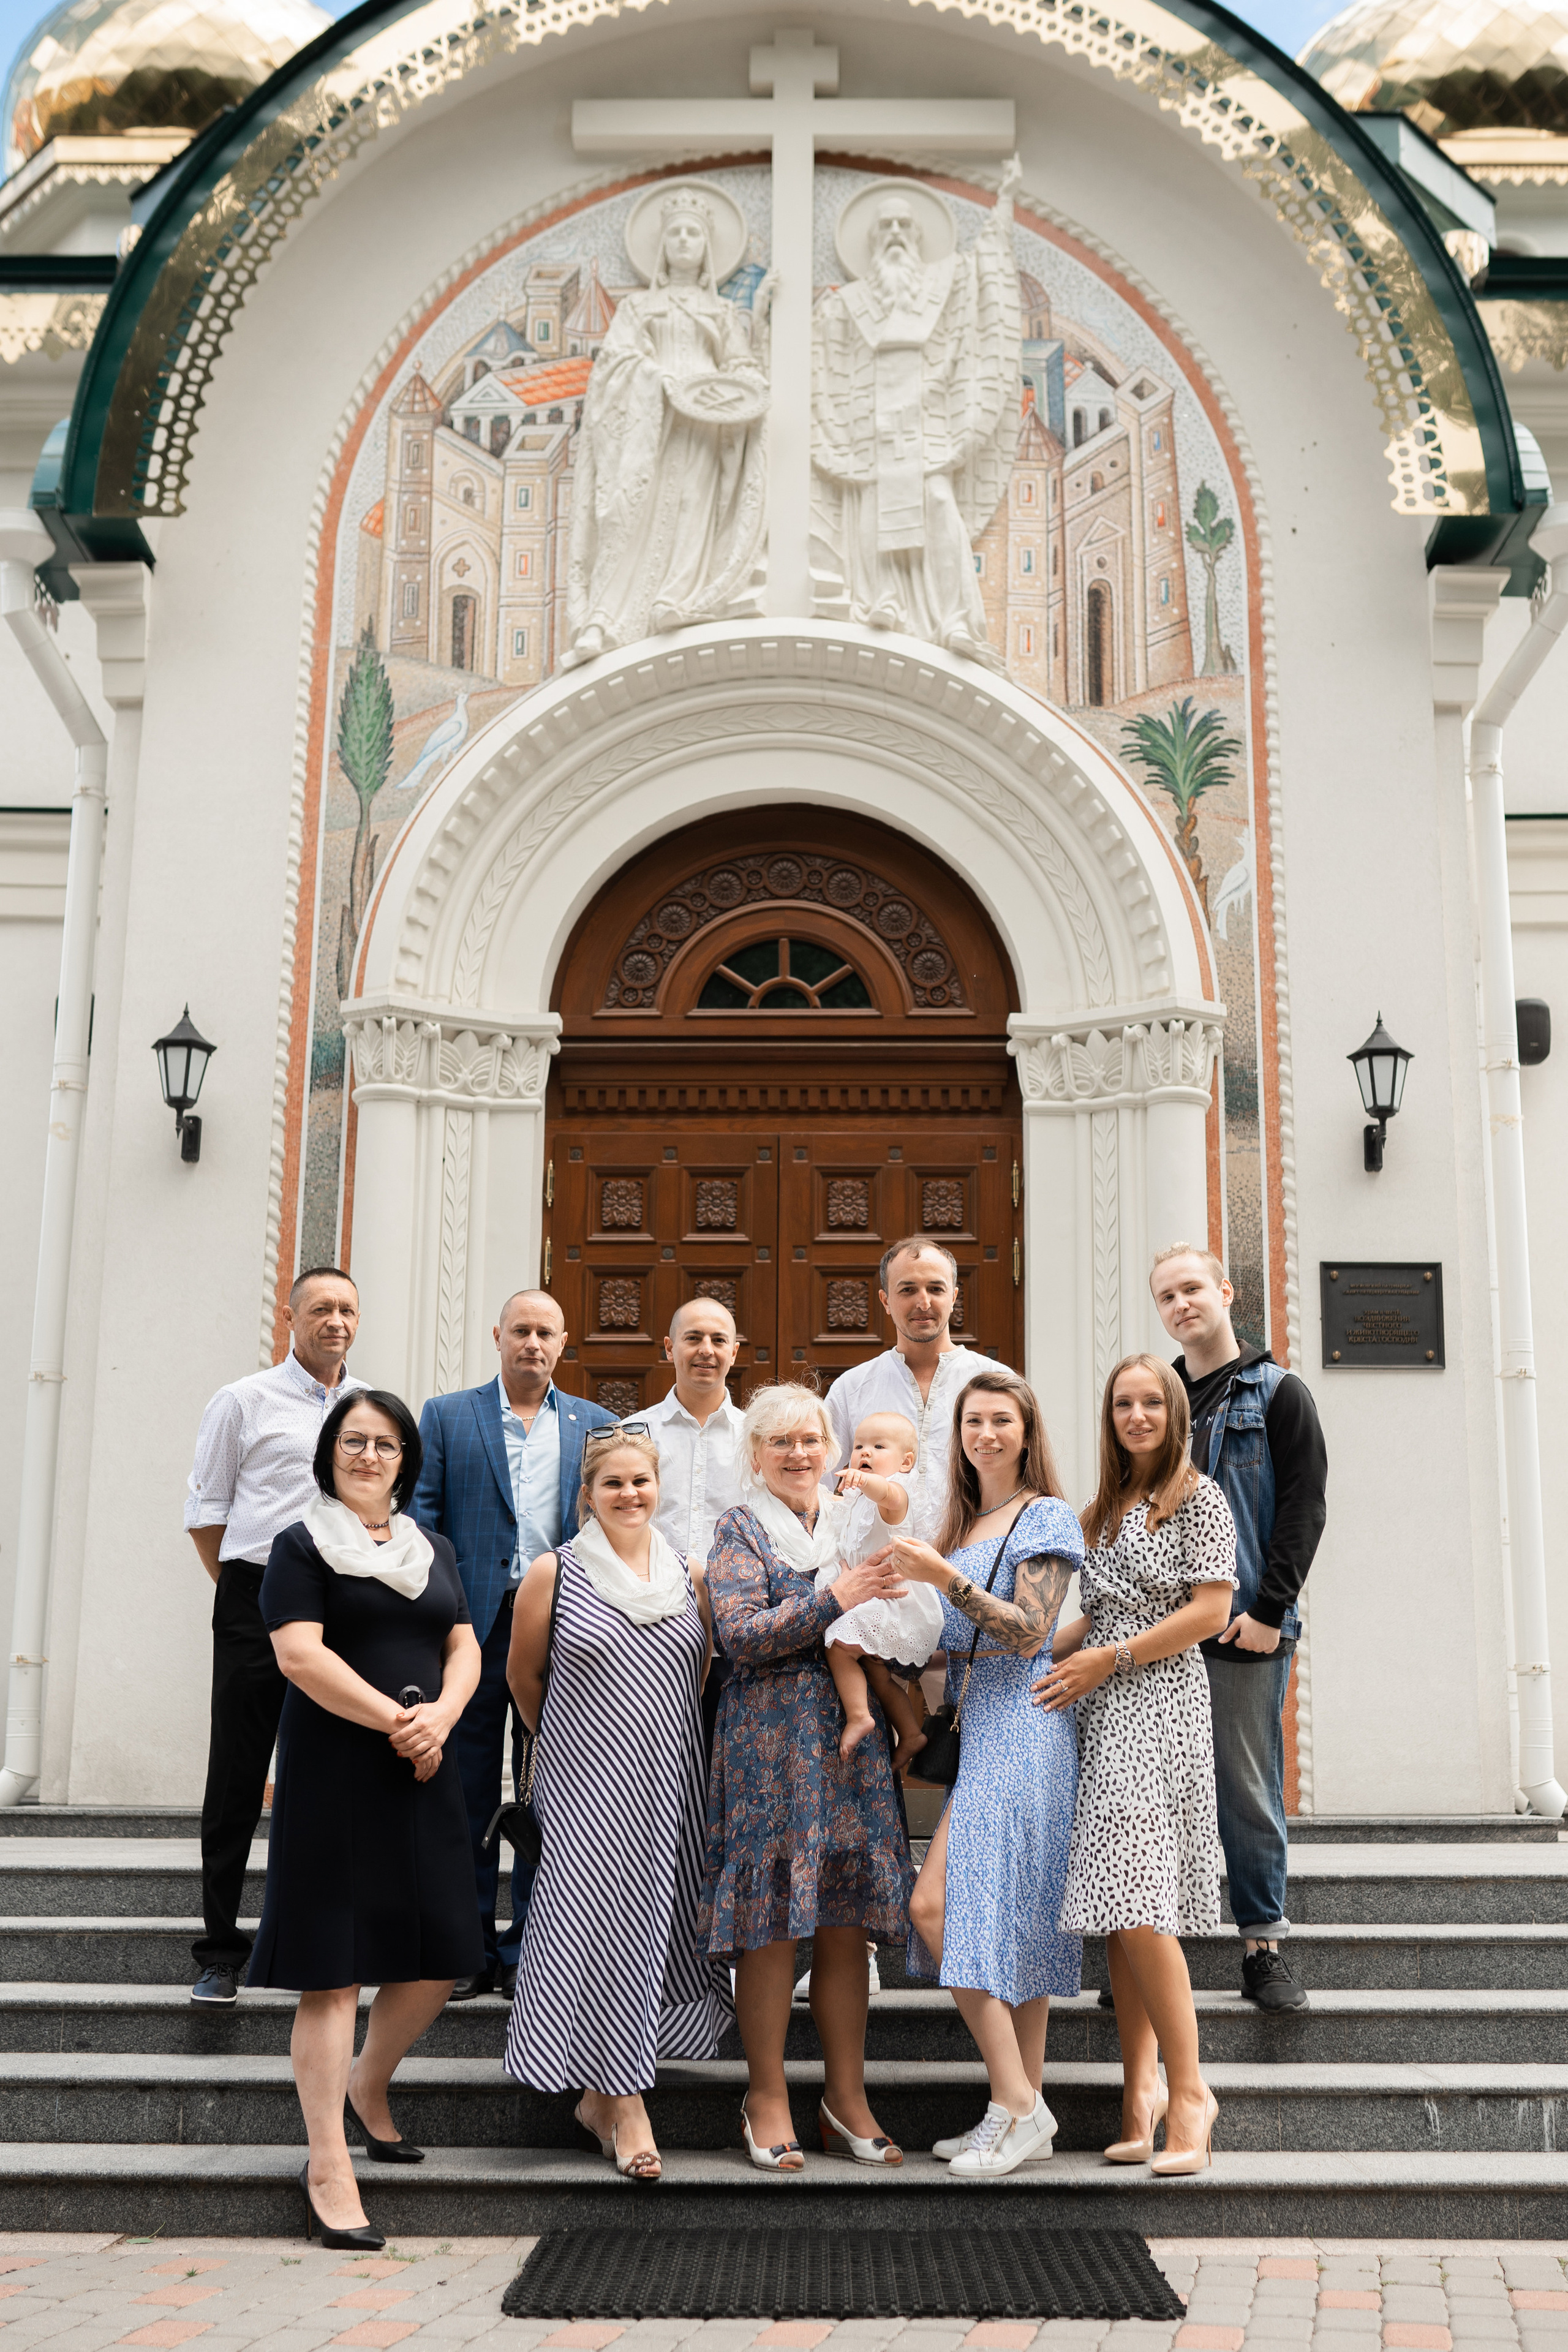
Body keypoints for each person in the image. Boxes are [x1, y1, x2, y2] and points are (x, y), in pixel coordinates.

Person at [249, 1387, 483, 2249]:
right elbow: (298, 1655)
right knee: (335, 1969)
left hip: (423, 1767)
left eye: (386, 1445)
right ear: (330, 1452)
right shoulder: (302, 1544)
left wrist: (444, 1719)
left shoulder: (433, 1546)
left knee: (441, 1951)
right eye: (354, 1442)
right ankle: (327, 2163)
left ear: (406, 1461)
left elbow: (463, 1642)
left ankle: (368, 2083)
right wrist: (401, 1721)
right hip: (338, 1769)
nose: (369, 1457)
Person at [503, 1425, 731, 2180]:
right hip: (585, 1782)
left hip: (669, 1775)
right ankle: (626, 2099)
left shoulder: (689, 1573)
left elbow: (698, 1673)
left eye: (641, 1482)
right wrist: (577, 1748)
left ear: (657, 1487)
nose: (630, 1495)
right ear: (587, 1495)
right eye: (613, 1484)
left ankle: (603, 2099)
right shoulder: (554, 1573)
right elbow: (523, 1677)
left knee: (649, 1923)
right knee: (589, 1924)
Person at [701, 1382, 914, 2171]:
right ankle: (765, 2095)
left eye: (811, 1440)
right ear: (754, 1454)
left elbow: (890, 1615)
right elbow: (740, 1634)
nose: (798, 1454)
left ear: (830, 1449)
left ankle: (845, 2098)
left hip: (849, 1744)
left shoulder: (852, 1519)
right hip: (770, 1741)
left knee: (844, 1919)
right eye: (780, 1441)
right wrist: (834, 1599)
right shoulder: (740, 1528)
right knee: (771, 1921)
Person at [1036, 1352, 1238, 2176]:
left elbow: (1211, 1612)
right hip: (1104, 1705)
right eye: (1124, 1403)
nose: (1138, 1415)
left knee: (1139, 1899)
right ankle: (1139, 2093)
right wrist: (1027, 1660)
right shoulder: (1104, 1509)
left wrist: (1110, 1660)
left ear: (1176, 1412)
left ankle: (1191, 2091)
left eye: (1153, 1402)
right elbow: (1090, 1618)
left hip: (1160, 1703)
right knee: (1123, 1903)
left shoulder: (1201, 1499)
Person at [895, 1370, 1084, 2179]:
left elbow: (1029, 1631)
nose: (986, 1434)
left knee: (933, 1905)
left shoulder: (1046, 1516)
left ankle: (1019, 2102)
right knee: (1015, 1930)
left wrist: (948, 1581)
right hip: (983, 1732)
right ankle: (1013, 2114)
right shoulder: (963, 1520)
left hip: (1028, 1726)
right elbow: (954, 1643)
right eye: (974, 1421)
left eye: (1001, 1420)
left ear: (1027, 1429)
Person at [410, 1290, 616, 2002]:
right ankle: (465, 1943)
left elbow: (611, 1528)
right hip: (468, 1630)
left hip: (562, 1634)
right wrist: (436, 1614)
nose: (533, 1343)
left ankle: (531, 1944)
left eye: (546, 1333)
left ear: (564, 1343)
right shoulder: (445, 1416)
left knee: (548, 1795)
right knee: (461, 1791)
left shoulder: (598, 1427)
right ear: (497, 1336)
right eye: (520, 1331)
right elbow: (422, 1517)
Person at [1150, 1243, 1328, 2013]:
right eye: (1166, 1296)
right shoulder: (1153, 1397)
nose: (1181, 1304)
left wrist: (1268, 1612)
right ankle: (1146, 1958)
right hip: (1156, 1633)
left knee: (1246, 1789)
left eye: (1192, 1288)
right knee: (1151, 1793)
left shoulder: (1277, 1392)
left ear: (1225, 1291)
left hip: (1242, 1629)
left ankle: (1263, 1948)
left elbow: (1303, 1510)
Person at [183, 1267, 365, 2005]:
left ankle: (315, 1940)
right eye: (321, 1308)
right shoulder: (243, 1401)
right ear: (290, 1319)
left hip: (347, 1603)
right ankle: (220, 1952)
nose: (336, 1321)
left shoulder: (369, 1406)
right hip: (257, 1595)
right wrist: (247, 1595)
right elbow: (207, 1513)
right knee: (237, 1774)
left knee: (331, 1772)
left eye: (348, 1309)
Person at [825, 1238, 1003, 1541]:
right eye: (907, 1290)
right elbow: (822, 1488)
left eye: (936, 1289)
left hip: (975, 1568)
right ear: (885, 1300)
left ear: (954, 1296)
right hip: (879, 1578)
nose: (924, 1303)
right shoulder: (851, 1389)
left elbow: (1026, 1484)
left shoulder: (998, 1381)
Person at [644, 1295, 747, 1762]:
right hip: (648, 1623)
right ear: (669, 1348)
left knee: (725, 1762)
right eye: (693, 1338)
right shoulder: (632, 1433)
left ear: (734, 1353)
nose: (706, 1350)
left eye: (718, 1340)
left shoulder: (760, 1439)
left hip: (736, 1628)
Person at [820, 1411, 943, 1770]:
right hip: (872, 1601)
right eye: (858, 1446)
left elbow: (885, 1493)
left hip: (899, 1602)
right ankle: (910, 1731)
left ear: (905, 1461)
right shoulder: (857, 1498)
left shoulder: (897, 1494)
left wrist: (864, 1482)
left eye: (878, 1446)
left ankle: (860, 1716)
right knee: (876, 1671)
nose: (864, 1453)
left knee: (838, 1645)